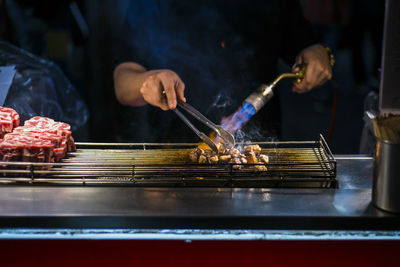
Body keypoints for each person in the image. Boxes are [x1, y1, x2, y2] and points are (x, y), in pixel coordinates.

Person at [112, 0, 332, 142]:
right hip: (177, 151)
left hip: (258, 149)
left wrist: (318, 52)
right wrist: (148, 81)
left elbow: (306, 46)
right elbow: (123, 81)